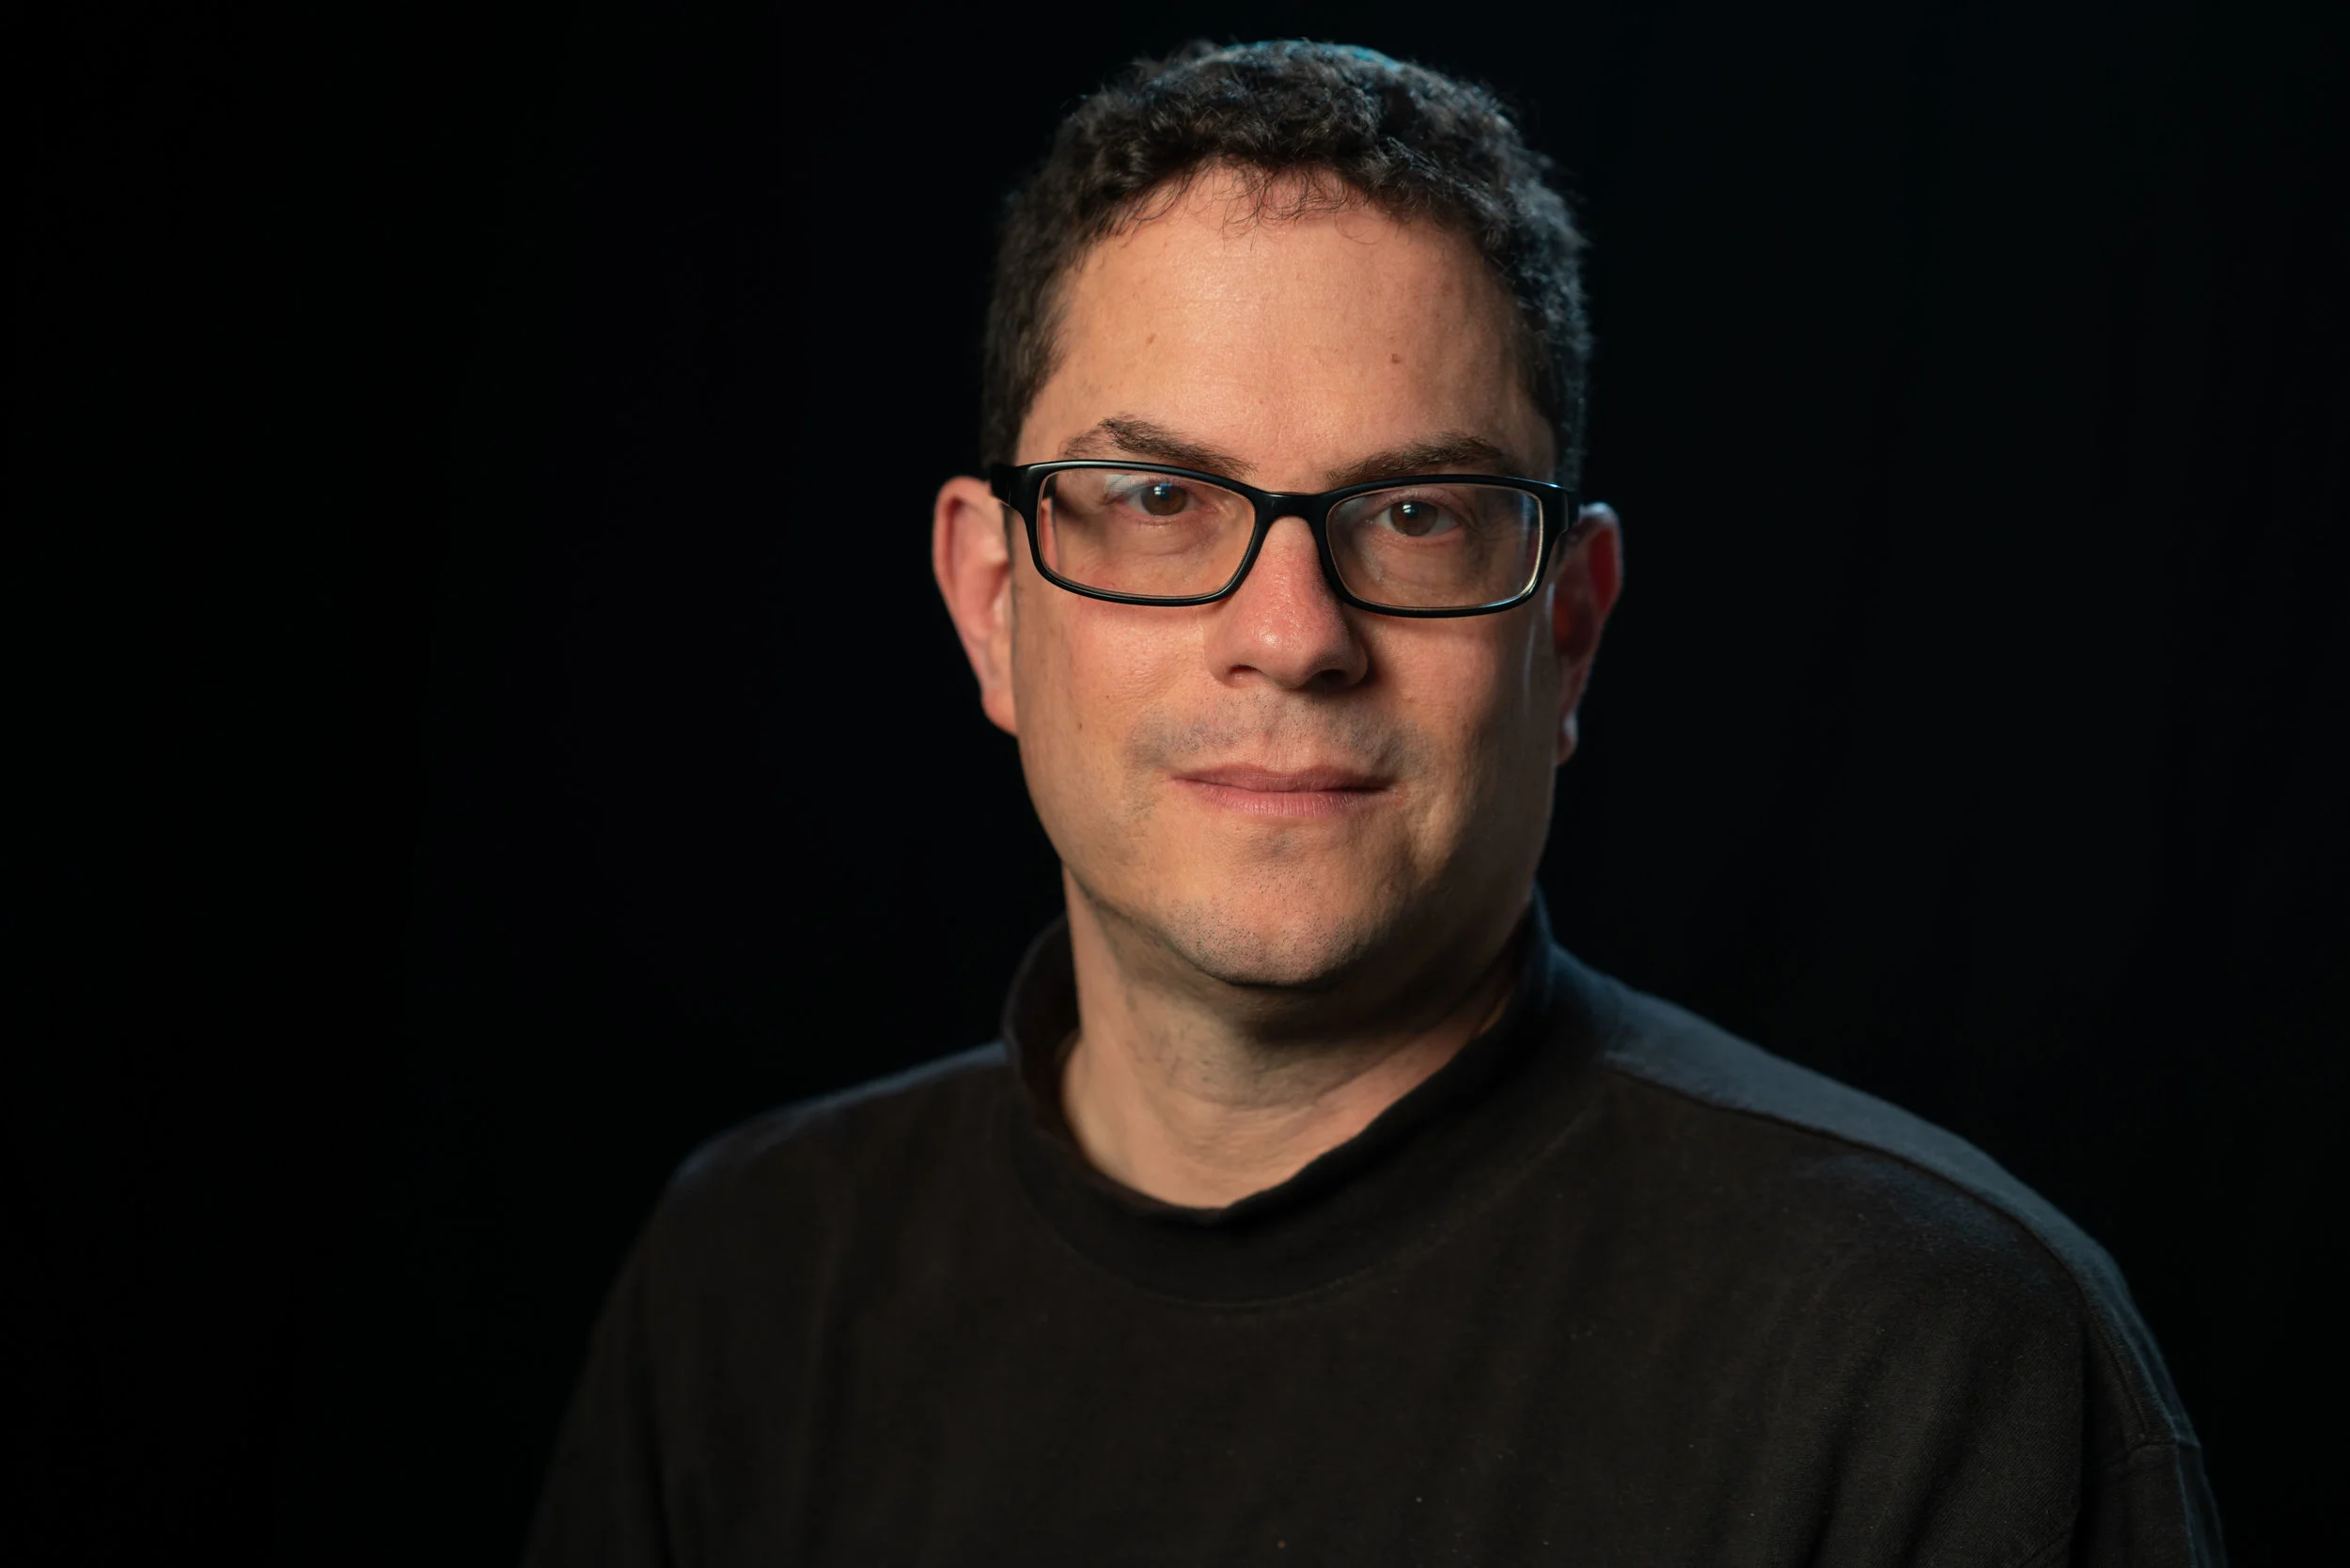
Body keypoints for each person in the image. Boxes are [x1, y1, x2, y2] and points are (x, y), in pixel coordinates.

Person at [525, 40, 2221, 1565]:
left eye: (1416, 516)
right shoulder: (748, 1279)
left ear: (1567, 634)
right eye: (1159, 498)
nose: (1292, 636)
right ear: (991, 604)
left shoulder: (1929, 1346)